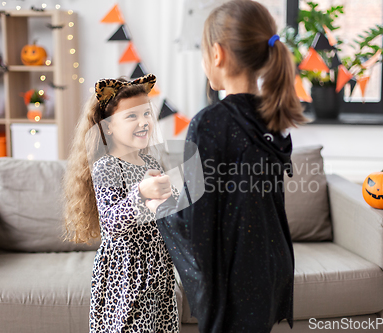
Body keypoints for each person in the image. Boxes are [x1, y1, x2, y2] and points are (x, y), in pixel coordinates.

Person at [145, 1, 310, 332]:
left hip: (237, 277)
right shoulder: (271, 120)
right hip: (272, 265)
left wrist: (158, 205)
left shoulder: (209, 123)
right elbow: (233, 191)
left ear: (217, 54)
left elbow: (195, 223)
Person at [62, 74, 180, 333]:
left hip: (158, 271)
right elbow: (111, 222)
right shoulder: (107, 167)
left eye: (147, 114)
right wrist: (140, 194)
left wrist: (174, 197)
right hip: (125, 275)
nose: (144, 122)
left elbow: (167, 211)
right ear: (108, 127)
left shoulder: (151, 163)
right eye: (131, 116)